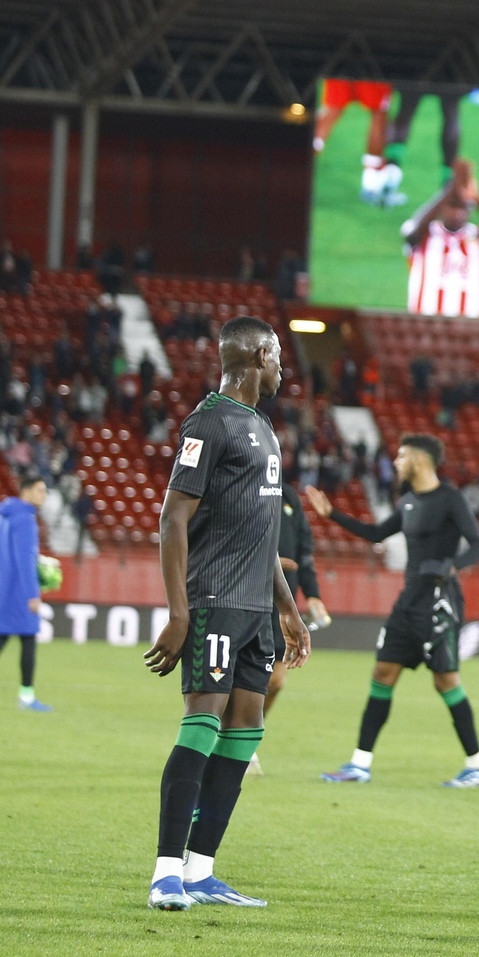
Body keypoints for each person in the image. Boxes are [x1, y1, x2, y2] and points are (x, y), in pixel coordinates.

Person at [141, 316, 311, 910]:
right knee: (202, 725)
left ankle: (200, 870)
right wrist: (179, 612)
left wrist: (287, 610)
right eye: (279, 355)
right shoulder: (207, 422)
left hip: (256, 612)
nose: (283, 366)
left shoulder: (263, 429)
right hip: (212, 601)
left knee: (245, 731)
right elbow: (171, 519)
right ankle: (165, 872)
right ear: (260, 354)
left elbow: (263, 533)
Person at [311, 434, 479, 787]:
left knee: (446, 681)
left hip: (439, 602)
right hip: (408, 602)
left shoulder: (450, 498)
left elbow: (478, 546)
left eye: (402, 455)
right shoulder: (408, 501)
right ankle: (359, 764)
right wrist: (333, 515)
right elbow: (377, 534)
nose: (396, 462)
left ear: (420, 461)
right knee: (383, 672)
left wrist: (450, 567)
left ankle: (477, 767)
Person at [246, 482, 331, 776]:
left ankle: (246, 741)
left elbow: (304, 552)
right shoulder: (242, 484)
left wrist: (314, 595)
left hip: (281, 604)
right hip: (243, 595)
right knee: (235, 678)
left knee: (275, 682)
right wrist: (266, 560)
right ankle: (230, 743)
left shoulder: (288, 496)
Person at [0, 475, 53, 712]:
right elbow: (25, 559)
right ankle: (26, 697)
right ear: (26, 491)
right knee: (28, 640)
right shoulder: (26, 518)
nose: (44, 495)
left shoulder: (3, 515)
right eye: (40, 490)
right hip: (19, 593)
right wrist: (33, 593)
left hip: (0, 590)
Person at [401, 158, 479, 318]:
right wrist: (451, 187)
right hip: (426, 328)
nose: (458, 213)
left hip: (471, 331)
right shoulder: (426, 233)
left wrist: (478, 199)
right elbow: (411, 236)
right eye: (453, 205)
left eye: (464, 208)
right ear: (442, 206)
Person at [314, 79, 401, 206]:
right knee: (379, 112)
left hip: (341, 63)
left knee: (332, 107)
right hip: (372, 67)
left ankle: (296, 166)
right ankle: (372, 185)